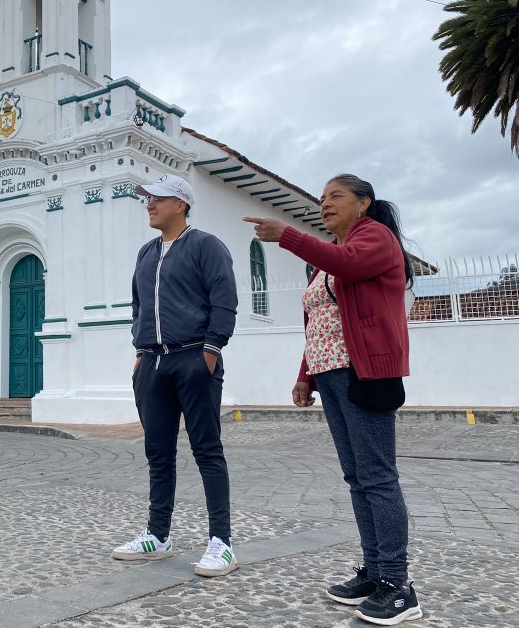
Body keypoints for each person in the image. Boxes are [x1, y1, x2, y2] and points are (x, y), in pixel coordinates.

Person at [245, 173, 422, 625]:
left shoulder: (374, 239)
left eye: (336, 197)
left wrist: (285, 235)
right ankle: (376, 571)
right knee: (356, 476)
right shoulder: (330, 259)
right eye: (322, 198)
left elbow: (350, 267)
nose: (324, 204)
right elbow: (318, 322)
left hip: (365, 374)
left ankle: (399, 585)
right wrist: (305, 376)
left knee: (378, 477)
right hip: (332, 375)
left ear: (363, 203)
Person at [112, 174, 239, 577]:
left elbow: (224, 300)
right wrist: (139, 351)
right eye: (147, 199)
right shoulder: (145, 252)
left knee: (206, 449)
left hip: (193, 358)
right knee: (158, 452)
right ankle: (157, 534)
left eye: (158, 198)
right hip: (151, 363)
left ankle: (221, 542)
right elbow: (138, 306)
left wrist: (212, 348)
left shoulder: (206, 246)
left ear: (181, 204)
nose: (149, 204)